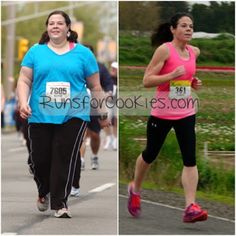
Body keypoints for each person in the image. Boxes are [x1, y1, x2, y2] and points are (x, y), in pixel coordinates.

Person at [17, 10, 110, 218]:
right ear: (47, 28)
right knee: (39, 159)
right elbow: (24, 81)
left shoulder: (84, 54)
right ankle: (44, 191)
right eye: (51, 23)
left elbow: (95, 86)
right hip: (40, 114)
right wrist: (23, 102)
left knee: (64, 157)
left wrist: (103, 113)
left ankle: (60, 203)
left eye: (60, 23)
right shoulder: (35, 52)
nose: (55, 26)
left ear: (68, 28)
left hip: (74, 114)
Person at [127, 12, 208, 223]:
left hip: (186, 111)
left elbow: (187, 78)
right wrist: (170, 76)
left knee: (190, 158)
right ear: (173, 29)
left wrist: (193, 83)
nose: (189, 29)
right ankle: (135, 189)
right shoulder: (164, 50)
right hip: (162, 112)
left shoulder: (194, 51)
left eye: (191, 26)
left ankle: (190, 206)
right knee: (150, 154)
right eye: (184, 26)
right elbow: (147, 80)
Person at [70, 44, 114, 197]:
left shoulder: (100, 67)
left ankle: (94, 156)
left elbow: (107, 84)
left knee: (94, 135)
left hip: (95, 106)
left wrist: (108, 93)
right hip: (77, 105)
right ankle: (81, 159)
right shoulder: (73, 65)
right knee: (80, 135)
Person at [103, 61, 118, 150]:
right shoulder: (107, 78)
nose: (113, 71)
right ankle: (109, 137)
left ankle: (115, 139)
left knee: (116, 120)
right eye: (112, 69)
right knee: (106, 120)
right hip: (108, 102)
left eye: (115, 69)